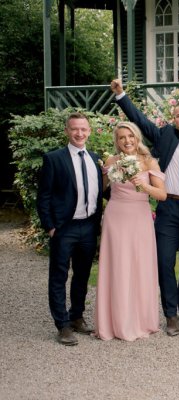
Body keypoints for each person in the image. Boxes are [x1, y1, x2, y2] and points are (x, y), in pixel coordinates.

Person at [111, 79, 179, 336]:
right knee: (164, 260)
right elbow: (138, 119)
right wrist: (121, 95)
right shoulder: (164, 135)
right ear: (174, 118)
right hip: (168, 206)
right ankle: (170, 313)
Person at [94, 122, 166, 341]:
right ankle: (113, 321)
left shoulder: (148, 161)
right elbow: (103, 188)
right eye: (122, 137)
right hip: (116, 217)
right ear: (117, 141)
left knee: (139, 266)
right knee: (117, 266)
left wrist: (142, 185)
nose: (127, 141)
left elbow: (162, 195)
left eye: (131, 137)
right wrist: (109, 173)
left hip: (140, 218)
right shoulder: (111, 161)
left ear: (137, 138)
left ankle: (140, 320)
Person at [37, 112, 103, 346]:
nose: (79, 133)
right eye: (75, 129)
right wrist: (50, 227)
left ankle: (76, 317)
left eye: (83, 129)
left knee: (82, 275)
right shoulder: (54, 158)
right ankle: (62, 325)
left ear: (90, 131)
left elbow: (100, 193)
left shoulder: (96, 159)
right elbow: (43, 197)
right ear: (67, 131)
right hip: (64, 228)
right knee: (59, 276)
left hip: (89, 226)